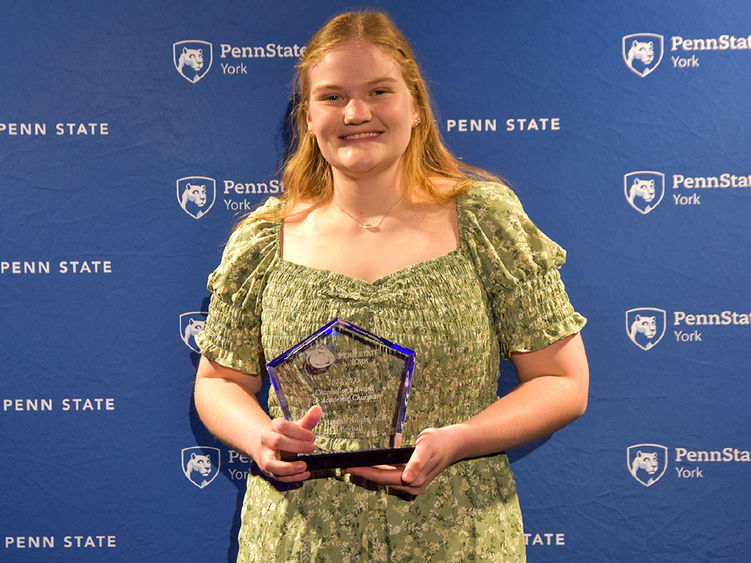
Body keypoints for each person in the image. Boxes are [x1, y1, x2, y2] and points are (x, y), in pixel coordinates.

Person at [194, 10, 588, 562]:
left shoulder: (485, 222)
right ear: (307, 116)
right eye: (332, 97)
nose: (357, 112)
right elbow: (218, 383)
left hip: (459, 534)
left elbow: (563, 381)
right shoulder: (263, 242)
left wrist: (457, 442)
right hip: (299, 537)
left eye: (379, 91)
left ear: (416, 105)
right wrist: (260, 437)